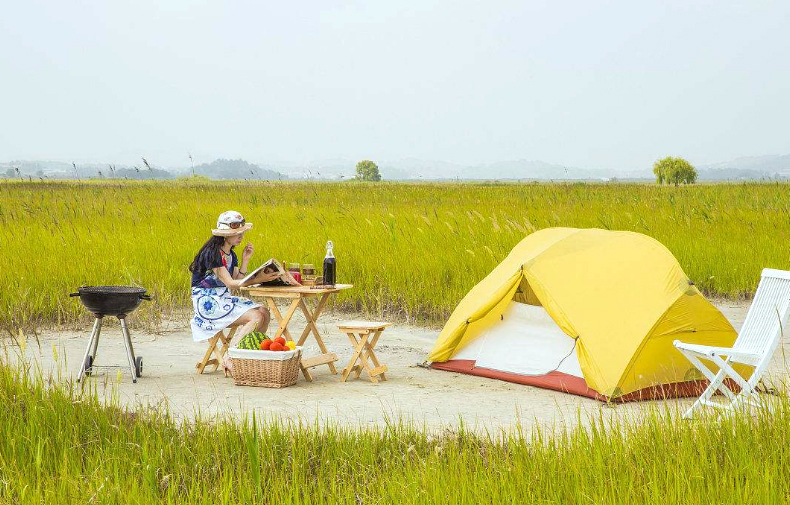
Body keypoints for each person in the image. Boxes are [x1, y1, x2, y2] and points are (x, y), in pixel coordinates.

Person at [189, 211, 276, 370]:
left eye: (242, 232)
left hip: (224, 297)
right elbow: (231, 284)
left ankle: (252, 353)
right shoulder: (212, 253)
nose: (241, 236)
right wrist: (258, 279)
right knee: (256, 316)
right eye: (236, 233)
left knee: (264, 312)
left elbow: (237, 279)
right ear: (224, 234)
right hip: (208, 302)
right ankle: (231, 356)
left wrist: (245, 260)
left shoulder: (231, 254)